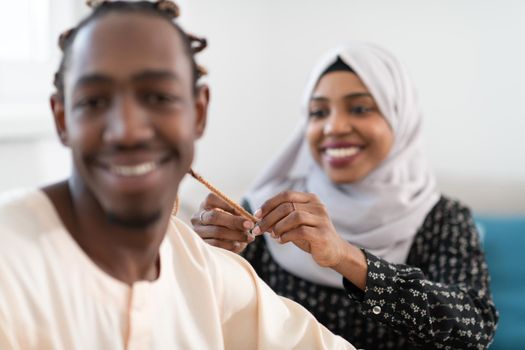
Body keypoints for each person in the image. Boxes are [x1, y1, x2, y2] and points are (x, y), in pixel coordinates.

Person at [0, 1, 357, 349]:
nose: (127, 131)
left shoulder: (202, 270)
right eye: (94, 101)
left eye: (158, 97)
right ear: (62, 119)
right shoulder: (12, 262)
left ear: (198, 113)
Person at [192, 42, 499, 349]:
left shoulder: (442, 218)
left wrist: (345, 256)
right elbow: (208, 321)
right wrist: (212, 260)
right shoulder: (266, 208)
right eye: (318, 112)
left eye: (360, 108)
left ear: (399, 117)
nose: (334, 126)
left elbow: (474, 331)